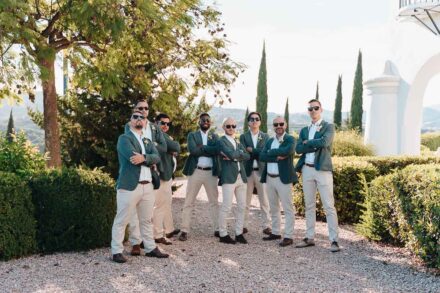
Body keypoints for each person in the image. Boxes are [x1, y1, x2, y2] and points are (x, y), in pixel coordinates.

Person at [111, 111, 168, 263]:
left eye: (141, 117)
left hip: (147, 186)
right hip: (129, 186)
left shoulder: (148, 141)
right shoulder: (124, 138)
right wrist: (149, 159)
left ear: (145, 122)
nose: (138, 119)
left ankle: (150, 248)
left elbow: (157, 157)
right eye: (135, 117)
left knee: (146, 220)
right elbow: (132, 158)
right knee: (122, 219)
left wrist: (144, 157)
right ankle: (116, 251)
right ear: (130, 121)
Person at [295, 99, 340, 252]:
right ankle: (309, 237)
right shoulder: (304, 130)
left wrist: (308, 143)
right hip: (307, 170)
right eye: (310, 108)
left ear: (321, 109)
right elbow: (298, 148)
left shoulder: (329, 126)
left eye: (315, 108)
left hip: (322, 170)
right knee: (309, 205)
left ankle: (334, 240)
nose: (313, 110)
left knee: (329, 206)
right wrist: (311, 143)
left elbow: (325, 142)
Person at [126, 100, 168, 256]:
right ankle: (135, 243)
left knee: (147, 213)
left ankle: (149, 245)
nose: (143, 111)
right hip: (135, 173)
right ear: (135, 110)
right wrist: (149, 153)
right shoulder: (129, 125)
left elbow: (162, 148)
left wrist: (148, 154)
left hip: (151, 173)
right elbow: (131, 151)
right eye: (140, 108)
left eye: (146, 108)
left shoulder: (154, 127)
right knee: (133, 213)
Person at [179, 113, 220, 241]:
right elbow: (193, 151)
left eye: (208, 120)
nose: (205, 122)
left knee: (214, 202)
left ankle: (218, 229)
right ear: (199, 122)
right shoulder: (192, 135)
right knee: (189, 202)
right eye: (203, 120)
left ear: (210, 122)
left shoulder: (215, 136)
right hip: (196, 171)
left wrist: (202, 147)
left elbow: (217, 150)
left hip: (210, 173)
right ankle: (184, 230)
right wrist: (209, 149)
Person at [260, 116, 298, 247]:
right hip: (270, 178)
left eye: (281, 124)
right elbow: (262, 156)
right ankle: (276, 232)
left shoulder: (290, 139)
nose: (278, 126)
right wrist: (277, 156)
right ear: (273, 126)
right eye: (276, 124)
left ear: (285, 125)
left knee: (288, 208)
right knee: (273, 207)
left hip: (284, 179)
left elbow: (289, 150)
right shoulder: (270, 141)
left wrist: (270, 153)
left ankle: (289, 236)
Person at [218, 118, 250, 244]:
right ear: (224, 127)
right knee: (226, 206)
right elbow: (231, 155)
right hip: (228, 177)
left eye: (233, 126)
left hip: (241, 177)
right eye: (228, 126)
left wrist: (235, 156)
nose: (231, 128)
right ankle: (223, 234)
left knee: (242, 206)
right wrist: (237, 155)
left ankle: (239, 233)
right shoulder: (222, 141)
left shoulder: (237, 140)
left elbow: (247, 156)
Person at [239, 111, 271, 235]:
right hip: (247, 171)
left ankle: (266, 226)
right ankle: (243, 225)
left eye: (257, 119)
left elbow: (265, 153)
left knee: (264, 201)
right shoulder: (243, 137)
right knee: (245, 201)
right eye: (252, 119)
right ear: (248, 122)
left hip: (261, 171)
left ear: (260, 122)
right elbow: (243, 153)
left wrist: (252, 150)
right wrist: (256, 152)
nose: (254, 121)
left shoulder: (266, 136)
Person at [152, 113, 181, 245]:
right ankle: (157, 235)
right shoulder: (158, 134)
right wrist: (171, 148)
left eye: (167, 124)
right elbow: (176, 146)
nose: (165, 126)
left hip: (167, 175)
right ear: (156, 123)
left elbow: (173, 148)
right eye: (162, 123)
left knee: (167, 204)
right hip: (161, 174)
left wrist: (171, 149)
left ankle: (169, 230)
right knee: (160, 206)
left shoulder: (165, 136)